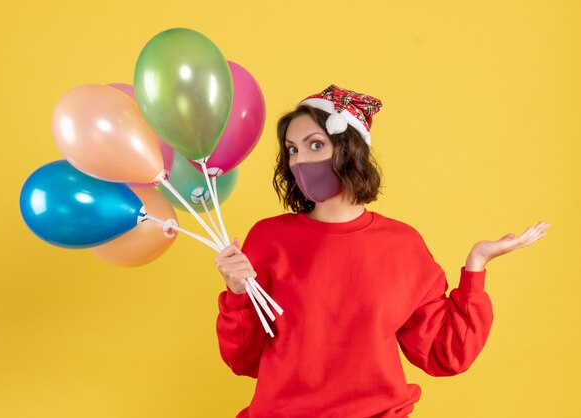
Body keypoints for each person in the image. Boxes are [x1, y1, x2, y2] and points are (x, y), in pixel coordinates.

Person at [214, 85, 549, 418]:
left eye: (315, 145)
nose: (300, 160)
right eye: (292, 150)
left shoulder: (402, 245)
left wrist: (476, 265)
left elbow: (446, 353)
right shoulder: (268, 239)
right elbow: (243, 360)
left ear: (349, 150)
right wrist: (237, 292)